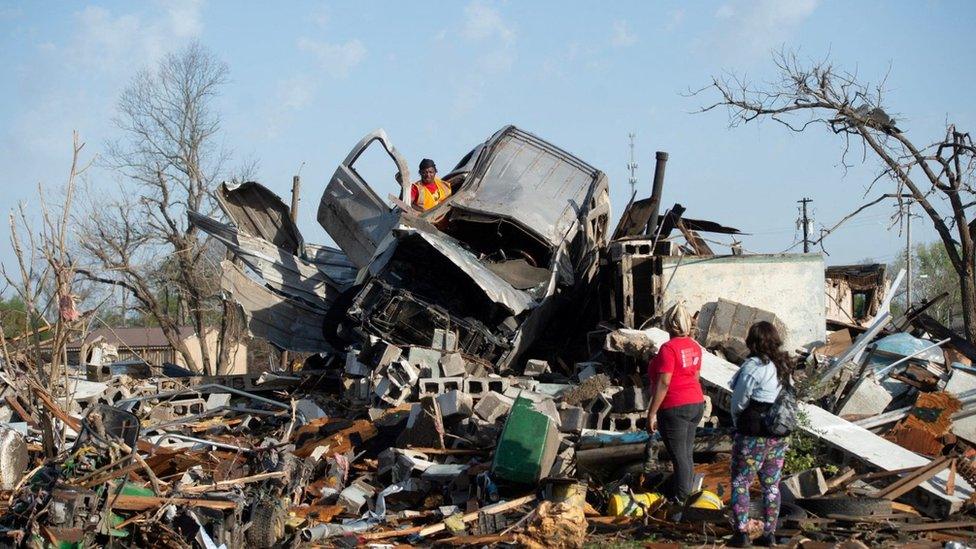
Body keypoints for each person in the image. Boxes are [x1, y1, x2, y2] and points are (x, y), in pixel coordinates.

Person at [727, 321, 793, 548]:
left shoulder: (754, 366)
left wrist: (737, 422)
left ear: (752, 341)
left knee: (740, 482)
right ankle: (769, 533)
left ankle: (742, 533)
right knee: (772, 485)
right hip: (778, 435)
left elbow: (739, 401)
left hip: (752, 434)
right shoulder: (783, 366)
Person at [646, 303, 705, 504]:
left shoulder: (668, 349)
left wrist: (652, 412)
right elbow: (696, 376)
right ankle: (685, 496)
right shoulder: (695, 347)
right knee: (686, 455)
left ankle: (681, 501)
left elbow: (664, 382)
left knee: (679, 458)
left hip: (674, 407)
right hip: (696, 403)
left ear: (668, 325)